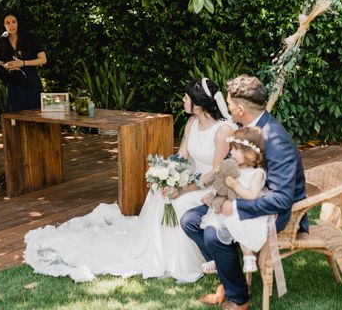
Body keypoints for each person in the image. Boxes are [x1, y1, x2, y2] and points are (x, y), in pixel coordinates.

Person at [23, 77, 236, 282]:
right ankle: (160, 256)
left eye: (186, 97)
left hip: (207, 187)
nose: (183, 100)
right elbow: (182, 155)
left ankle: (193, 261)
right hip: (189, 179)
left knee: (177, 202)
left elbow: (216, 172)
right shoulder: (192, 122)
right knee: (159, 194)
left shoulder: (222, 130)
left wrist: (184, 188)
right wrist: (167, 173)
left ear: (198, 104)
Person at [181, 74, 308, 310]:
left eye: (229, 104)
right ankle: (232, 279)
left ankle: (238, 299)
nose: (226, 107)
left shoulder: (276, 139)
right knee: (189, 220)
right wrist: (218, 196)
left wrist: (235, 207)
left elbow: (281, 199)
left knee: (212, 235)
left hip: (269, 209)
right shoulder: (246, 128)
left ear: (240, 108)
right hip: (239, 195)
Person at [199, 126, 268, 275]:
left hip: (246, 211)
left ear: (249, 153)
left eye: (236, 149)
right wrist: (211, 197)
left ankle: (248, 256)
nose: (231, 152)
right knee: (214, 224)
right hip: (228, 209)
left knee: (238, 224)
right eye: (232, 149)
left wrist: (236, 185)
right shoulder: (233, 169)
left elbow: (252, 196)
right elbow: (222, 188)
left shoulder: (257, 173)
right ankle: (219, 261)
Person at [0, 11, 47, 112]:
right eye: (7, 23)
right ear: (4, 26)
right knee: (15, 119)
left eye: (13, 22)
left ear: (18, 23)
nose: (11, 25)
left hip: (31, 83)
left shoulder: (30, 38)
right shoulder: (2, 42)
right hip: (14, 85)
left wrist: (23, 63)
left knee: (34, 117)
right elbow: (0, 64)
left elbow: (43, 59)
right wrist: (7, 66)